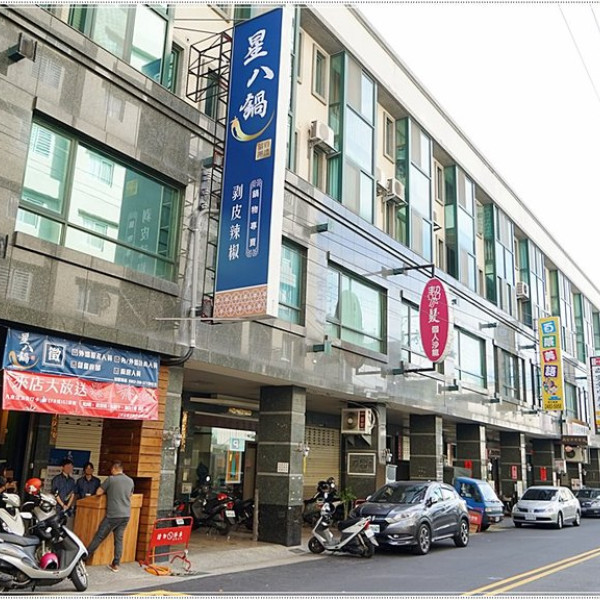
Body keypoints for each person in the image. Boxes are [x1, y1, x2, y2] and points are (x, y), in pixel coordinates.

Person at [86, 460, 134, 573]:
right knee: (119, 540)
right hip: (125, 515)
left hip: (113, 515)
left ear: (114, 469)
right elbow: (130, 495)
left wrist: (109, 492)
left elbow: (98, 492)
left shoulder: (111, 479)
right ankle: (116, 564)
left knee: (99, 537)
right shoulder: (130, 481)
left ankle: (84, 558)